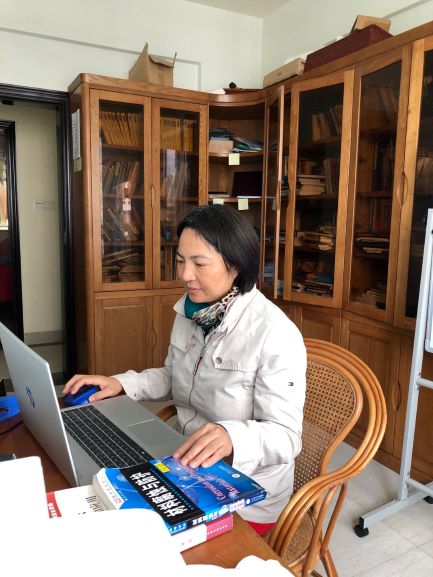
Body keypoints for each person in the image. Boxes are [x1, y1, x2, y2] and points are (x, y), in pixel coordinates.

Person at [63, 204, 307, 535]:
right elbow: (173, 375)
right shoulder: (193, 311)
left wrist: (230, 436)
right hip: (183, 460)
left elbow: (286, 437)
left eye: (199, 264)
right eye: (180, 260)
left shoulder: (274, 334)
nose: (185, 274)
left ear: (235, 265)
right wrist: (120, 383)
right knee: (97, 502)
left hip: (244, 492)